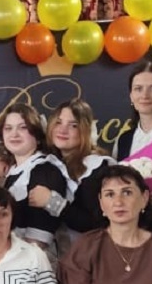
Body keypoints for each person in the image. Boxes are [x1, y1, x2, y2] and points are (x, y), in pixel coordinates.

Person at [0, 103, 72, 261]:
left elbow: (39, 240)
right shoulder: (10, 172)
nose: (14, 134)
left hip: (33, 264)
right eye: (8, 128)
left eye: (23, 128)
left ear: (37, 136)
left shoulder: (45, 170)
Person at [42, 99, 113, 248]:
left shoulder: (96, 167)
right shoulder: (51, 161)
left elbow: (97, 224)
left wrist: (52, 202)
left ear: (85, 130)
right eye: (58, 122)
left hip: (93, 253)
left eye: (73, 125)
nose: (63, 130)